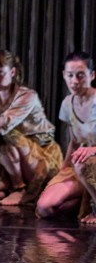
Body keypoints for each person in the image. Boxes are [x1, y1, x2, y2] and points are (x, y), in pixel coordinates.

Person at [0, 49, 62, 207]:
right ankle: (13, 188)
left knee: (4, 134)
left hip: (39, 159)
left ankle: (20, 188)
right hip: (12, 161)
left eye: (0, 73)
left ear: (12, 72)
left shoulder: (27, 96)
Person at [50, 51, 96, 223]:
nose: (74, 81)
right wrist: (64, 169)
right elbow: (74, 141)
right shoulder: (67, 103)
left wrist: (92, 149)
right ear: (64, 75)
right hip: (81, 162)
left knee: (81, 163)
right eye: (70, 75)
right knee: (46, 207)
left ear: (92, 75)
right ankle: (85, 198)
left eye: (80, 75)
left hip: (86, 161)